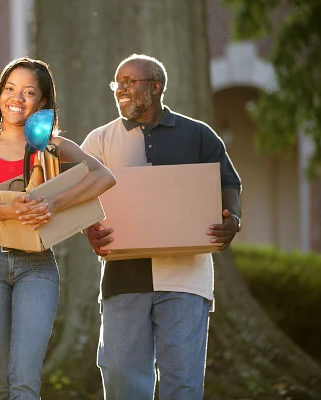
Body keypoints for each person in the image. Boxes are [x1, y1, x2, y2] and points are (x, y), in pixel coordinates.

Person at [81, 54, 242, 400]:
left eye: (129, 82)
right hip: (124, 276)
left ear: (156, 87)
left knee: (182, 383)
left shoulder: (198, 134)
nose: (121, 89)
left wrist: (234, 219)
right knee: (122, 379)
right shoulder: (99, 142)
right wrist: (89, 229)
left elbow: (229, 183)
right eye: (117, 83)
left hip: (186, 277)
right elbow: (78, 197)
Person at [0, 57, 116, 399]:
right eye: (10, 89)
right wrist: (14, 208)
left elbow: (105, 176)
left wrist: (56, 202)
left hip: (37, 266)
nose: (17, 97)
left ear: (42, 102)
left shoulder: (51, 146)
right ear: (0, 93)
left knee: (25, 381)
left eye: (29, 92)